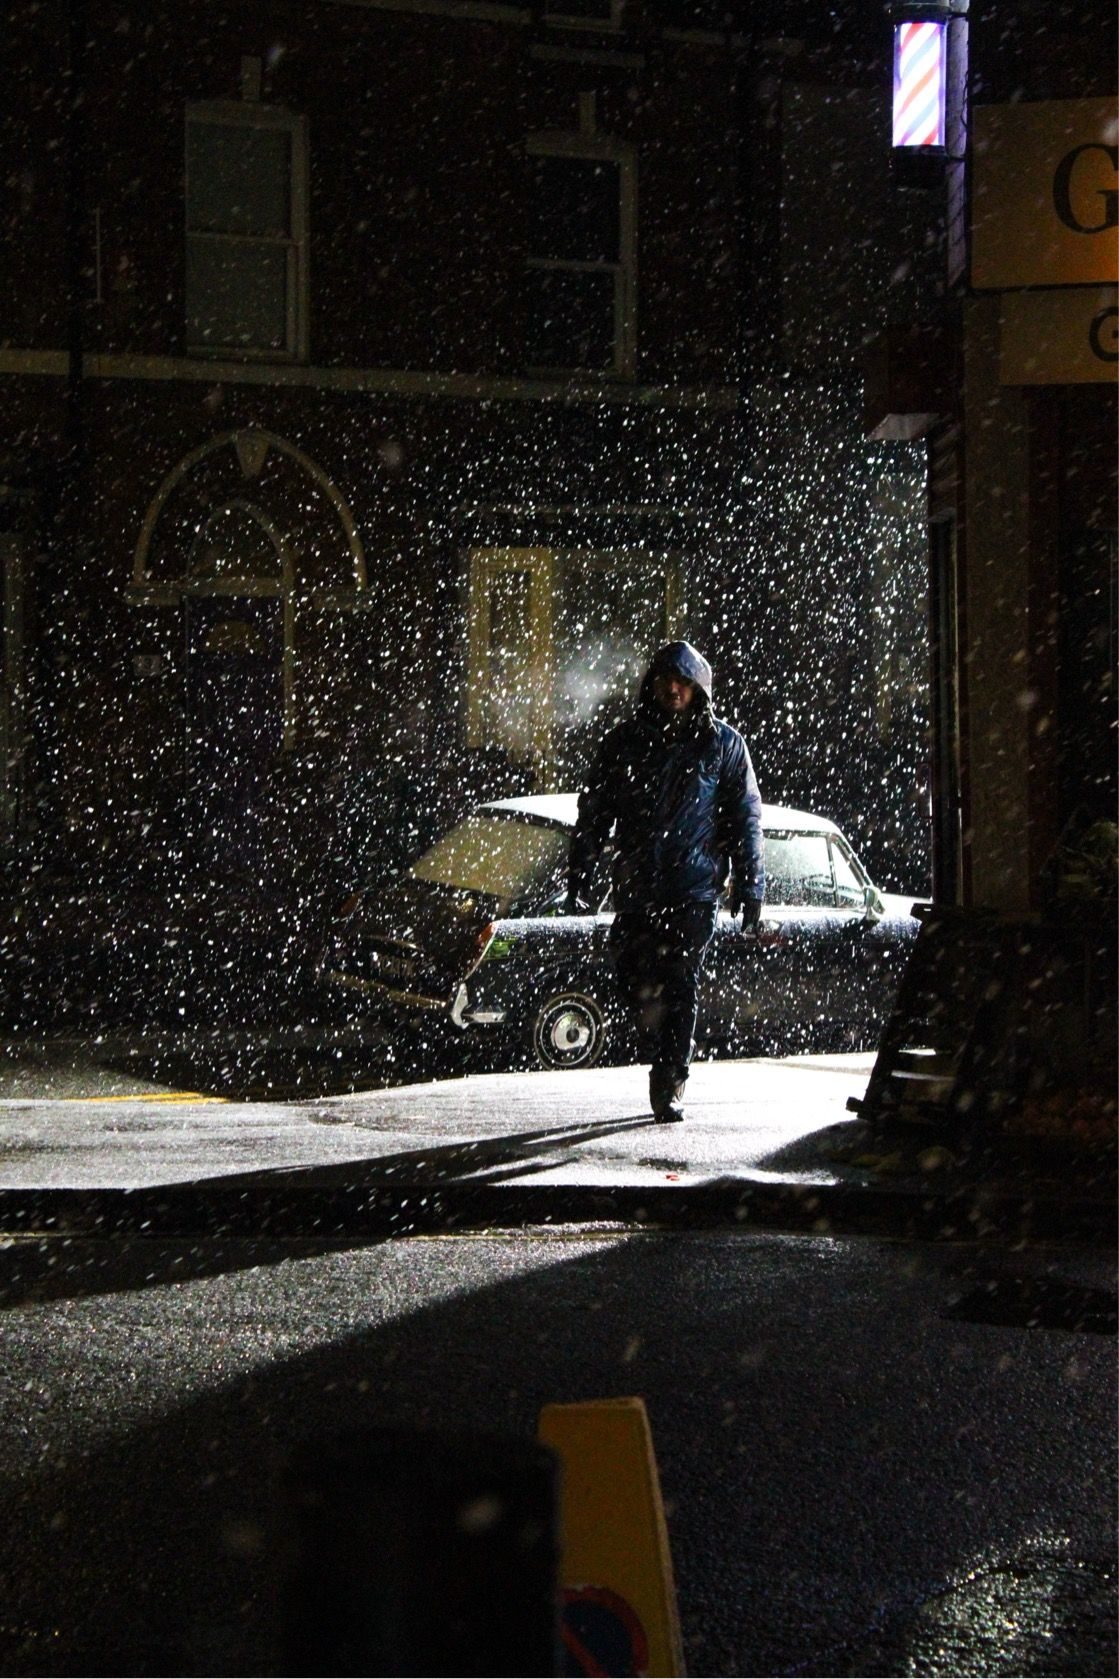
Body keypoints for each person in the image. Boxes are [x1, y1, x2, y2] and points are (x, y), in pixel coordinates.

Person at [565, 641, 765, 1122]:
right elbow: (593, 814)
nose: (674, 689)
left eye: (683, 682)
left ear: (698, 689)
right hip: (637, 888)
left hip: (693, 891)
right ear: (651, 685)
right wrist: (581, 873)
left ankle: (671, 1077)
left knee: (682, 983)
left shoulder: (723, 745)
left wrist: (750, 884)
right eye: (666, 680)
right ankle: (659, 1045)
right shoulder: (622, 743)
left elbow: (745, 817)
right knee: (633, 978)